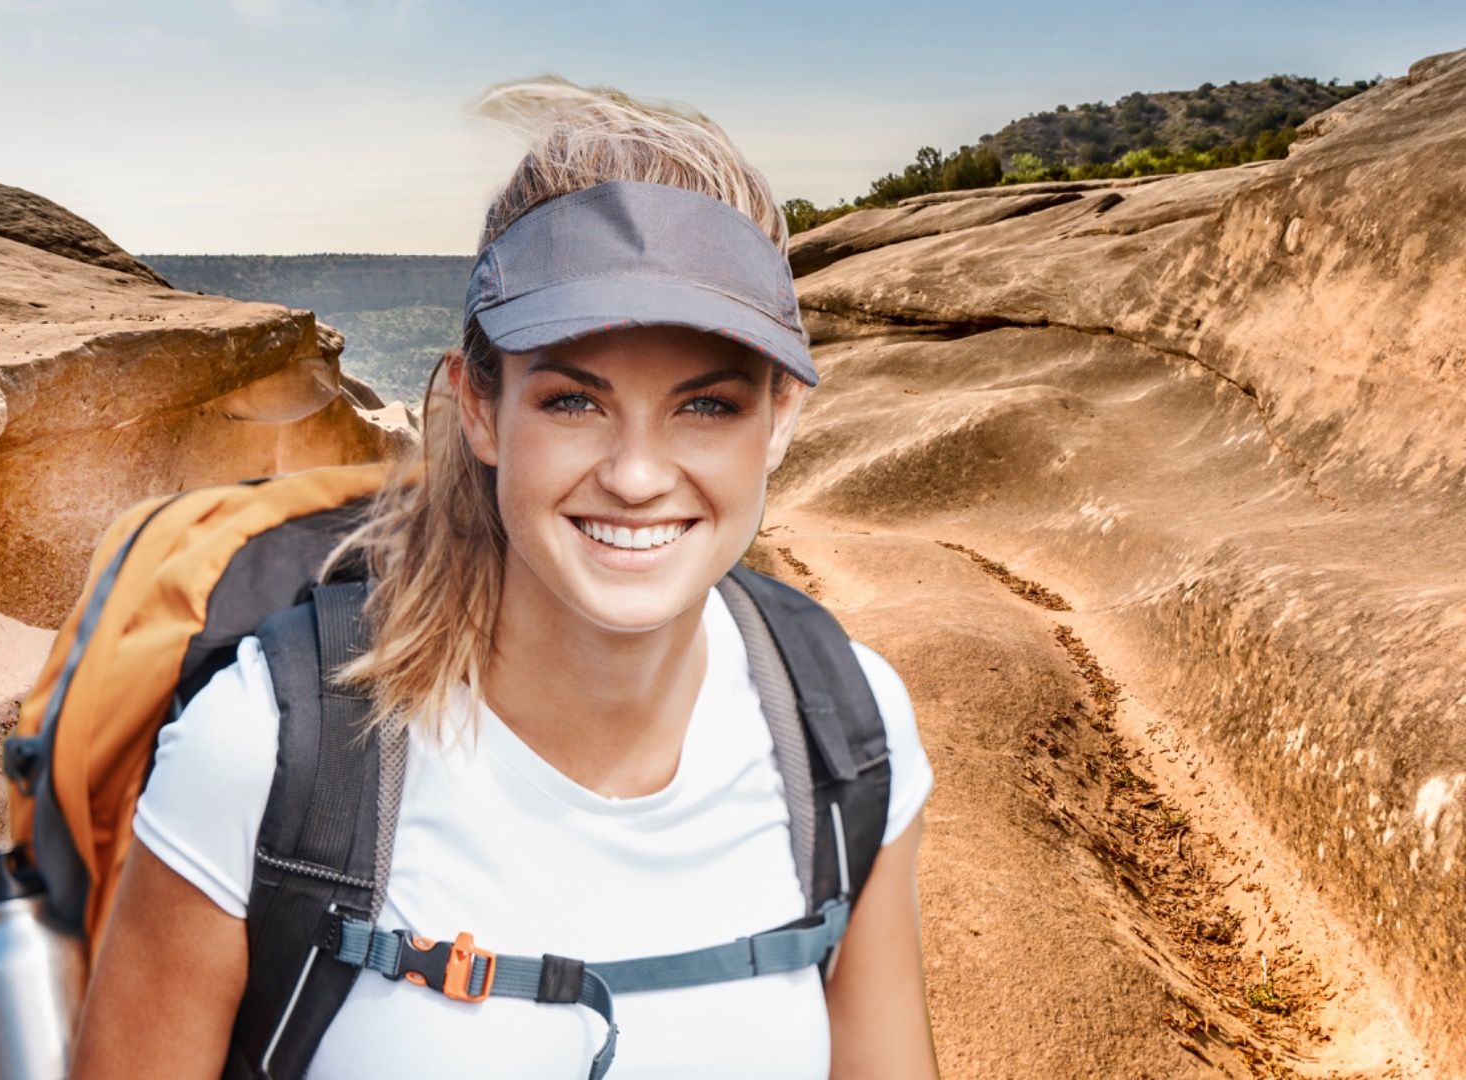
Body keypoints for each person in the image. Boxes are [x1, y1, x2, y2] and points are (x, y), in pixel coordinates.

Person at [71, 77, 938, 1079]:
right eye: (574, 402)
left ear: (782, 417)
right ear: (479, 407)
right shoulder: (270, 751)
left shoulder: (848, 732)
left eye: (708, 407)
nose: (638, 475)